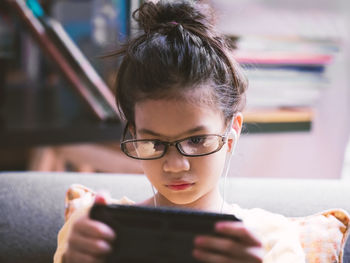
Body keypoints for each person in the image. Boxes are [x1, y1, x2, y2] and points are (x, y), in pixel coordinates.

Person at [54, 1, 307, 262]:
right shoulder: (93, 234)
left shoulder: (272, 241)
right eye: (154, 143)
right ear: (134, 134)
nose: (175, 165)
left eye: (197, 140)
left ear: (232, 132)